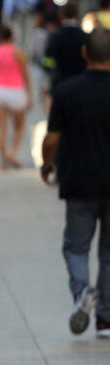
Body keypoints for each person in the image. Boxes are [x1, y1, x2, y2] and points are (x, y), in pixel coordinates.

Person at [41, 27, 110, 339]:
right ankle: (105, 320)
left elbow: (51, 138)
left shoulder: (67, 91)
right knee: (109, 253)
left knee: (76, 247)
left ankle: (82, 294)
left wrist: (46, 164)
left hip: (79, 181)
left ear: (85, 54)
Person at [0, 25, 32, 169]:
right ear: (12, 37)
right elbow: (25, 74)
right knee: (19, 126)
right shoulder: (19, 52)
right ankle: (12, 151)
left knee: (2, 129)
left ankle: (3, 163)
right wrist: (29, 93)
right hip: (16, 90)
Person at [44, 2, 88, 100]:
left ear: (61, 15)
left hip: (60, 82)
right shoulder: (84, 36)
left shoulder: (55, 36)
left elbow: (48, 60)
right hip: (80, 83)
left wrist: (48, 73)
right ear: (77, 14)